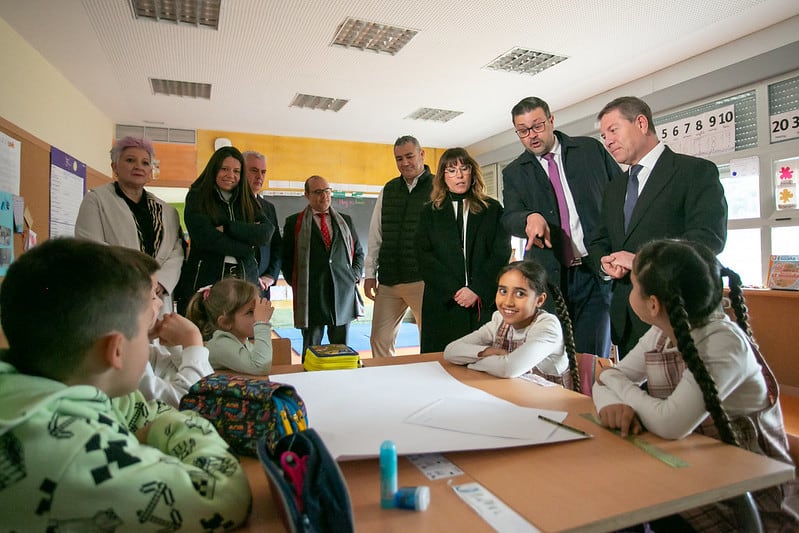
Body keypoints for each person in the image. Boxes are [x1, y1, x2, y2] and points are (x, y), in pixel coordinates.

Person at [0, 238, 251, 530]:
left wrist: (156, 424)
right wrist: (178, 426)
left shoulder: (58, 383)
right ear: (115, 351)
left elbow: (147, 411)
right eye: (147, 324)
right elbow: (224, 495)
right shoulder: (75, 454)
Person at [592, 239, 797, 530]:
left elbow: (670, 423)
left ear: (653, 304)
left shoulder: (723, 342)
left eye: (634, 285)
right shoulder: (662, 330)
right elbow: (603, 384)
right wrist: (611, 403)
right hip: (686, 478)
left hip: (744, 504)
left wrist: (613, 380)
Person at [589, 96, 728, 358]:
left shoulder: (695, 172)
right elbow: (599, 239)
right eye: (603, 136)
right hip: (628, 315)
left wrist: (641, 260)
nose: (607, 141)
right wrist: (605, 262)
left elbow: (708, 239)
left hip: (679, 313)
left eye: (613, 130)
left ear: (641, 122)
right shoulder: (614, 188)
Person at [501, 97, 619, 360]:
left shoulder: (590, 150)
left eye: (537, 126)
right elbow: (509, 217)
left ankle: (588, 401)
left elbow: (619, 195)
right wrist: (528, 218)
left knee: (591, 357)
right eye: (523, 130)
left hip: (594, 271)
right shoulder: (514, 172)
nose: (532, 135)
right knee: (552, 357)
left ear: (551, 120)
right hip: (550, 276)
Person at [416, 147, 511, 353]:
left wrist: (476, 289)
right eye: (451, 170)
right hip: (443, 303)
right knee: (440, 366)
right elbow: (424, 257)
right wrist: (455, 291)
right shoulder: (429, 213)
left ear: (472, 172)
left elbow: (500, 254)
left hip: (482, 303)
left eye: (464, 168)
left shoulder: (492, 209)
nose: (459, 175)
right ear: (443, 176)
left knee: (483, 364)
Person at [75, 136, 185, 309]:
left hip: (156, 295)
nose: (138, 167)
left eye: (145, 163)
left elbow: (176, 252)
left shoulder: (167, 211)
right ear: (115, 166)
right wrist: (136, 281)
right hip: (115, 292)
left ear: (150, 171)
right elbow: (89, 247)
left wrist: (161, 282)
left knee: (153, 333)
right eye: (130, 160)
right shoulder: (96, 199)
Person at [444, 260, 577, 387]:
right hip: (514, 396)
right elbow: (450, 351)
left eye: (520, 294)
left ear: (540, 300)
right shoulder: (499, 320)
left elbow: (509, 368)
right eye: (503, 291)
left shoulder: (547, 326)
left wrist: (471, 363)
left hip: (552, 405)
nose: (508, 302)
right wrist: (485, 352)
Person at [176, 146, 273, 313]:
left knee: (242, 335)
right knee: (207, 334)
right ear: (214, 169)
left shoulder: (247, 199)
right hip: (206, 279)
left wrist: (228, 227)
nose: (231, 175)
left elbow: (265, 233)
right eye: (225, 169)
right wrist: (246, 246)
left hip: (245, 281)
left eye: (236, 171)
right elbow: (206, 238)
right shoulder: (197, 197)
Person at [364, 135, 433, 357]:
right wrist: (369, 274)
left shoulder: (438, 186)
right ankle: (386, 384)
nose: (404, 163)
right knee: (379, 340)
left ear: (421, 154)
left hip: (422, 279)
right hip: (389, 280)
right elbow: (376, 234)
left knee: (431, 339)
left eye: (409, 156)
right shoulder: (389, 189)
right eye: (399, 158)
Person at [282, 175, 364, 359]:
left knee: (342, 352)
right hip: (312, 298)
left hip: (342, 296)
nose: (324, 196)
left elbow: (358, 253)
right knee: (311, 352)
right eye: (318, 192)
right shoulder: (294, 223)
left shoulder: (345, 221)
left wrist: (353, 276)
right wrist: (297, 283)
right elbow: (286, 259)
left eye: (327, 191)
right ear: (307, 195)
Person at [186, 278, 274, 375]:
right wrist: (262, 323)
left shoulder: (244, 343)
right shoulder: (221, 344)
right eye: (250, 312)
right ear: (225, 323)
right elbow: (260, 367)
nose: (258, 315)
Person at [141, 296, 214, 408]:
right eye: (153, 296)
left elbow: (174, 371)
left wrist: (175, 344)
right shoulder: (125, 358)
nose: (161, 302)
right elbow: (193, 400)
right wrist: (191, 338)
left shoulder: (147, 352)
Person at [242, 150, 282, 298]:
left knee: (261, 322)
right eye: (254, 171)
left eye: (263, 172)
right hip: (238, 286)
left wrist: (271, 276)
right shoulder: (230, 205)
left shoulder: (268, 208)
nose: (260, 177)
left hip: (263, 288)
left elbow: (277, 244)